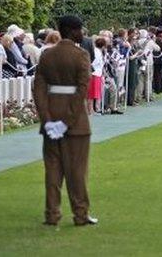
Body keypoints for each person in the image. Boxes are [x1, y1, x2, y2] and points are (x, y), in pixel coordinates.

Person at [32, 15, 98, 226]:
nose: (83, 34)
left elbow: (39, 89)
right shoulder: (81, 55)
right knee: (77, 170)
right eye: (80, 30)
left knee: (52, 170)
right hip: (75, 122)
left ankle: (52, 214)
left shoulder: (48, 55)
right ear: (71, 31)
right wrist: (67, 121)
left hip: (51, 116)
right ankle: (80, 214)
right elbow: (81, 91)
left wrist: (48, 119)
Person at [87, 37, 107, 115]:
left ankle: (93, 109)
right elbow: (93, 63)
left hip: (97, 74)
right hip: (94, 74)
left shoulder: (98, 51)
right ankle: (90, 110)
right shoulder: (96, 52)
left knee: (95, 93)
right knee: (91, 94)